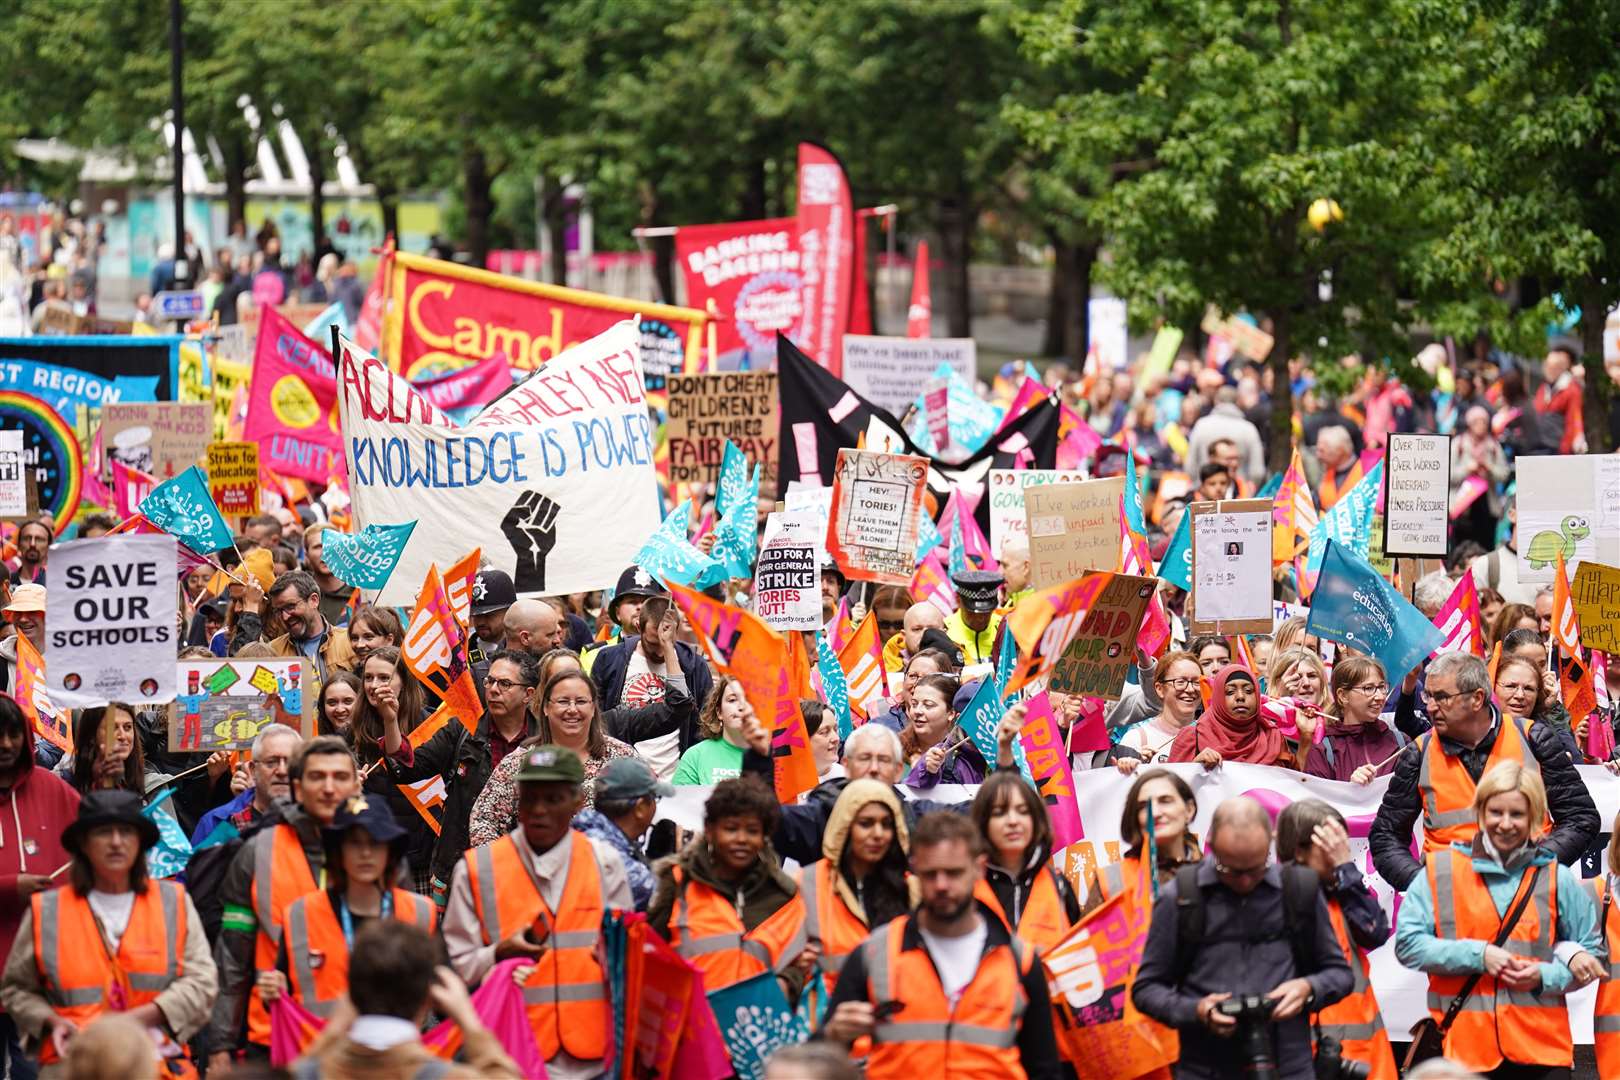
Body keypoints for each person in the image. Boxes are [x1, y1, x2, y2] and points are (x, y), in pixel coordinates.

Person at [1394, 762, 1602, 1078]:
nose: (1505, 824)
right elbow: (1408, 945)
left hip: (1543, 1053)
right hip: (1464, 1054)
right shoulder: (1440, 872)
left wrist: (1544, 976)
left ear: (1534, 818)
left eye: (1517, 814)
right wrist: (1480, 955)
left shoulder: (1557, 878)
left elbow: (1592, 953)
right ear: (1480, 812)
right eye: (1495, 812)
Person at [820, 810, 1062, 1079]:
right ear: (914, 871)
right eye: (930, 874)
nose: (942, 885)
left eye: (953, 873)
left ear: (978, 869)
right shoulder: (875, 953)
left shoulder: (1021, 961)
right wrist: (833, 1037)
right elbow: (816, 1062)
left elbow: (1045, 1070)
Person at [441, 745, 630, 1080]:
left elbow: (624, 960)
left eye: (553, 799)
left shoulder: (605, 863)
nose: (539, 810)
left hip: (594, 1055)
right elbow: (457, 967)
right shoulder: (478, 868)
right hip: (509, 1053)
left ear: (576, 802)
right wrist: (498, 954)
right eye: (530, 799)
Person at [1132, 796, 1354, 1080]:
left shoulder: (1299, 889)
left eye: (1256, 869)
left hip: (1288, 1065)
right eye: (1232, 871)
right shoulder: (1180, 897)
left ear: (1270, 844)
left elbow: (1340, 974)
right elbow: (1146, 989)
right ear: (1213, 848)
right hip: (1205, 1067)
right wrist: (1197, 1010)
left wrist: (1308, 988)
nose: (1245, 882)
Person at [0, 789, 216, 1076]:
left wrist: (140, 1019)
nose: (116, 842)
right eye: (104, 832)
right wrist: (50, 1021)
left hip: (155, 1066)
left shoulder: (173, 903)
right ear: (84, 845)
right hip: (74, 1066)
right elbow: (16, 990)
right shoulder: (48, 910)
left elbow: (202, 982)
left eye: (126, 831)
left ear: (140, 843)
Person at [1369, 652, 1597, 891]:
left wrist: (1533, 868)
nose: (1430, 706)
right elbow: (1385, 836)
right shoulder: (1419, 753)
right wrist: (1423, 885)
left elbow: (1580, 818)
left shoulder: (1534, 739)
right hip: (1451, 910)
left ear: (1478, 699)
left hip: (1527, 904)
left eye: (1442, 697)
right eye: (1428, 696)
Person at [208, 736, 360, 1068]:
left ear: (357, 785)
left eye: (341, 777)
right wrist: (220, 1045)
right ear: (297, 786)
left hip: (361, 1042)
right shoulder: (258, 850)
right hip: (276, 1038)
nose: (329, 788)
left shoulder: (382, 852)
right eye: (317, 777)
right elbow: (232, 956)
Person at [381, 649, 540, 904]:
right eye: (491, 681)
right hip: (461, 868)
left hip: (528, 868)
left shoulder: (545, 739)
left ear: (528, 694)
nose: (494, 689)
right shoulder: (463, 729)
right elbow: (408, 767)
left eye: (506, 684)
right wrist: (390, 721)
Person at [264, 796, 435, 1019]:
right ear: (338, 852)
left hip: (400, 1049)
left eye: (375, 842)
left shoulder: (421, 912)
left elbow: (442, 996)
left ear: (389, 852)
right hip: (322, 1048)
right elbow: (280, 997)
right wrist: (272, 992)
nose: (365, 853)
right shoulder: (300, 914)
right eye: (354, 842)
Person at [290, 920, 521, 1079]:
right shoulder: (448, 1076)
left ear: (351, 994)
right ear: (429, 998)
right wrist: (469, 1022)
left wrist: (332, 1032)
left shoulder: (309, 1074)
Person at [649, 776, 810, 996]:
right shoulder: (678, 883)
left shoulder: (784, 896)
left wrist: (787, 983)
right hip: (692, 1024)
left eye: (752, 831)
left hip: (761, 1022)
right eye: (731, 829)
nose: (741, 839)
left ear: (765, 836)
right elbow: (650, 955)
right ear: (710, 830)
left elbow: (800, 964)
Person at [1276, 800, 1397, 1080]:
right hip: (1303, 1058)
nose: (1341, 853)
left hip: (1363, 1056)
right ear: (1299, 851)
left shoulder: (1343, 894)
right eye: (1331, 846)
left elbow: (1375, 931)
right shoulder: (1273, 901)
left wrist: (1346, 870)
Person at [467, 669, 647, 843]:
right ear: (545, 707)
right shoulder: (520, 763)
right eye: (563, 701)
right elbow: (484, 820)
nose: (572, 709)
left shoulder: (623, 757)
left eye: (581, 701)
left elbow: (651, 808)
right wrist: (506, 868)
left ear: (593, 708)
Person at [0, 695, 78, 1077]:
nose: (5, 744)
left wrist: (105, 775)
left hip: (40, 973)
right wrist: (12, 887)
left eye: (14, 733)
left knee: (35, 1073)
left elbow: (94, 838)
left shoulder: (51, 788)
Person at [797, 780, 913, 1000]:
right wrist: (798, 968)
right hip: (831, 1019)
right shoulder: (810, 882)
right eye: (866, 823)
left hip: (895, 1019)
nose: (878, 834)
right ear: (846, 826)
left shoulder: (911, 887)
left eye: (886, 824)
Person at [590, 594, 713, 776]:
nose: (660, 652)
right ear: (639, 626)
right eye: (653, 643)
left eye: (666, 644)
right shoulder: (609, 659)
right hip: (625, 775)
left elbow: (705, 724)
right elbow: (596, 719)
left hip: (677, 776)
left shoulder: (694, 666)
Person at [970, 771, 1079, 950]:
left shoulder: (1059, 885)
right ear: (983, 821)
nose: (1013, 821)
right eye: (999, 813)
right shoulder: (966, 886)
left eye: (1023, 811)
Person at [1085, 767, 1203, 911]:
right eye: (1143, 806)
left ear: (1189, 809)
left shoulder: (1214, 874)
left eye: (1165, 801)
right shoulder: (1112, 880)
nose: (1154, 813)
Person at [571, 756, 671, 911]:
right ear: (640, 808)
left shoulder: (588, 833)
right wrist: (678, 859)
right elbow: (659, 899)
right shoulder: (606, 854)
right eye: (654, 799)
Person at [189, 723, 302, 848]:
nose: (282, 771)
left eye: (290, 762)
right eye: (271, 762)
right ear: (253, 769)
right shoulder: (216, 823)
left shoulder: (318, 820)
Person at [1168, 665, 1296, 768]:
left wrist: (1306, 739)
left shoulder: (1273, 736)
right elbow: (1170, 787)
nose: (1240, 697)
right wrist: (1194, 767)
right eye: (1230, 692)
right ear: (1218, 697)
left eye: (1248, 691)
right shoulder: (1192, 736)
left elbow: (1294, 784)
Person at [1305, 656, 1408, 783]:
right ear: (1343, 696)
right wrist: (1351, 791)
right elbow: (1317, 800)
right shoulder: (1324, 752)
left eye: (1382, 687)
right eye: (1368, 688)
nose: (1380, 696)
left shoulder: (1401, 743)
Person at [265, 571, 357, 685]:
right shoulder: (273, 651)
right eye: (278, 611)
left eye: (290, 606)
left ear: (314, 600)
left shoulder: (350, 641)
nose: (285, 617)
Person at [66, 704, 172, 798]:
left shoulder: (153, 785)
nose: (122, 736)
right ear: (92, 736)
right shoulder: (65, 784)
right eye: (112, 728)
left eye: (128, 727)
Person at [1116, 650, 1203, 762]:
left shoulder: (1210, 736)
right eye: (1180, 682)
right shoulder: (1136, 740)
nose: (1190, 689)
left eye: (1197, 682)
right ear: (1160, 689)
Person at [903, 673, 987, 786]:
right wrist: (928, 770)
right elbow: (914, 791)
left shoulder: (1007, 753)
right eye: (914, 704)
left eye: (928, 705)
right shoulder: (942, 754)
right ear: (958, 717)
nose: (918, 711)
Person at [673, 676, 751, 785]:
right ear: (719, 712)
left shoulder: (775, 757)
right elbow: (680, 801)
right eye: (732, 700)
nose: (742, 707)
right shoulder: (696, 756)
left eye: (749, 699)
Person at [1534, 343, 1585, 454]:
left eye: (1553, 366)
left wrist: (1565, 450)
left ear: (1561, 368)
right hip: (1541, 446)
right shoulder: (1543, 388)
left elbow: (1573, 420)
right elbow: (1537, 410)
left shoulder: (1571, 389)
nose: (1548, 369)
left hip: (1559, 449)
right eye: (1546, 365)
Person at [301, 524, 356, 627]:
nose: (325, 552)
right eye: (318, 547)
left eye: (330, 545)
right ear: (306, 554)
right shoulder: (301, 593)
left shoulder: (360, 589)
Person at [945, 571, 1004, 665]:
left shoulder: (1003, 629)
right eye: (972, 612)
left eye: (986, 612)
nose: (981, 618)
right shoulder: (945, 632)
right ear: (958, 600)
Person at [0, 584, 46, 698]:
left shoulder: (66, 661)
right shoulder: (2, 659)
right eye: (18, 612)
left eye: (32, 611)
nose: (23, 619)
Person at [881, 602, 945, 673]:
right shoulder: (884, 669)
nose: (925, 635)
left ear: (945, 634)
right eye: (917, 629)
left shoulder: (958, 664)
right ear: (904, 635)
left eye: (932, 629)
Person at [1315, 425, 1366, 510]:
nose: (1318, 456)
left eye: (1322, 451)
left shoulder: (1365, 471)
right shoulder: (1326, 473)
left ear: (1340, 451)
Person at [805, 699, 845, 786]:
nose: (836, 738)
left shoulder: (849, 780)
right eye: (824, 732)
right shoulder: (782, 786)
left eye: (835, 730)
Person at [316, 671, 362, 739]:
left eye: (348, 701)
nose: (340, 710)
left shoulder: (375, 743)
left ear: (361, 702)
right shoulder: (317, 746)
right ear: (323, 707)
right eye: (332, 703)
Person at [8, 520, 49, 587]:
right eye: (27, 538)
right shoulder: (5, 584)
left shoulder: (55, 584)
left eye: (39, 539)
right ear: (18, 544)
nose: (32, 544)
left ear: (48, 546)